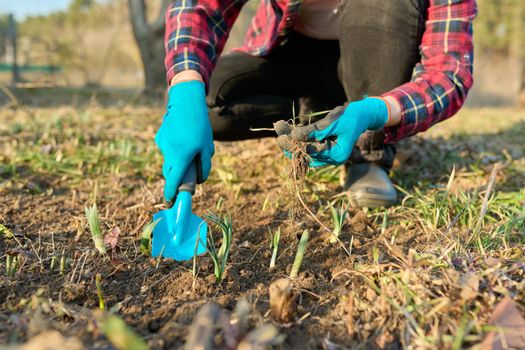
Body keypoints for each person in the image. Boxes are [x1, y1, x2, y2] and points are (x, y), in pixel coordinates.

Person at [155, 0, 477, 208]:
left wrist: (378, 110)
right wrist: (186, 88)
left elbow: (449, 74)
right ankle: (319, 117)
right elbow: (199, 7)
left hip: (379, 60)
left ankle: (368, 152)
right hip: (295, 54)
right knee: (212, 103)